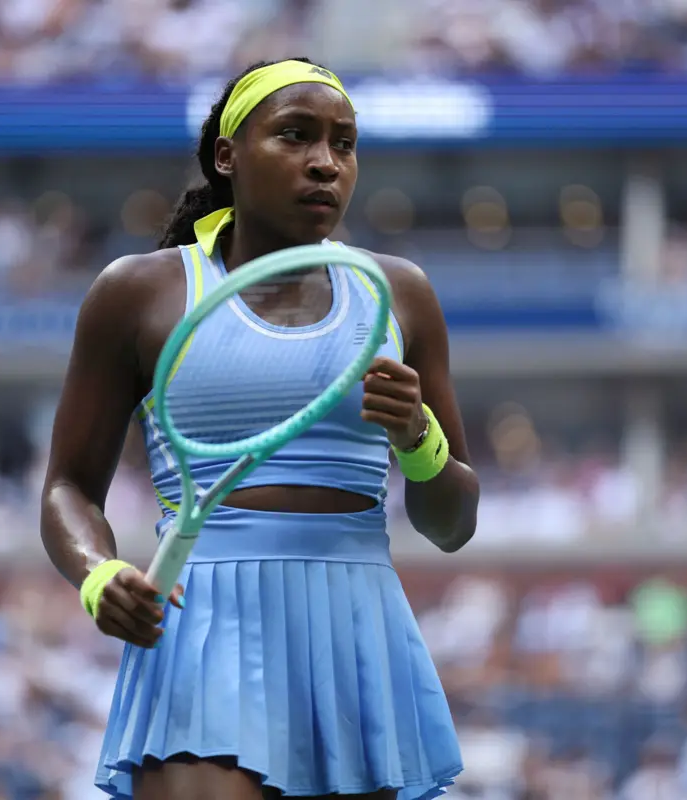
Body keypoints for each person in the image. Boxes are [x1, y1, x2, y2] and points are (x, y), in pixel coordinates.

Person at [40, 58, 480, 800]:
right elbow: (68, 488)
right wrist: (97, 574)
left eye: (344, 144)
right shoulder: (136, 293)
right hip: (202, 622)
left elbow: (453, 523)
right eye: (295, 136)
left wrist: (419, 439)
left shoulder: (400, 293)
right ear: (226, 156)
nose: (325, 163)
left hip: (358, 626)